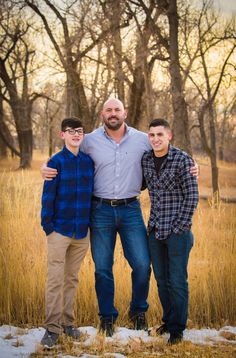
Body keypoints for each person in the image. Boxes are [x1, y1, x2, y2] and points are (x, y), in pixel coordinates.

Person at [41, 98, 198, 337]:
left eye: (117, 110)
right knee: (103, 267)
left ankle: (138, 313)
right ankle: (107, 317)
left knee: (143, 265)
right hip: (100, 210)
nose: (113, 113)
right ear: (102, 114)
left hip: (130, 209)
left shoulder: (142, 140)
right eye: (108, 110)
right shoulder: (90, 140)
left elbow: (165, 148)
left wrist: (192, 164)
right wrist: (45, 166)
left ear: (124, 113)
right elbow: (67, 154)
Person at [142, 118, 199, 345]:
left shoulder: (183, 160)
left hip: (177, 231)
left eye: (160, 135)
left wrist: (180, 227)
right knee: (161, 280)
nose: (156, 139)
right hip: (155, 229)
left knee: (177, 281)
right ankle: (169, 320)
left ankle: (177, 329)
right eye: (152, 135)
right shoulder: (146, 159)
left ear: (169, 136)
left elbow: (192, 197)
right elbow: (137, 183)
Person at [40, 117, 94, 348]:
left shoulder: (88, 161)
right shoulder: (55, 162)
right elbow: (47, 198)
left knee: (71, 279)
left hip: (82, 231)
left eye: (79, 131)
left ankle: (67, 324)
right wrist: (48, 227)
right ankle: (52, 328)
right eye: (71, 131)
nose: (75, 135)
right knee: (55, 280)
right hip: (59, 231)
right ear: (62, 135)